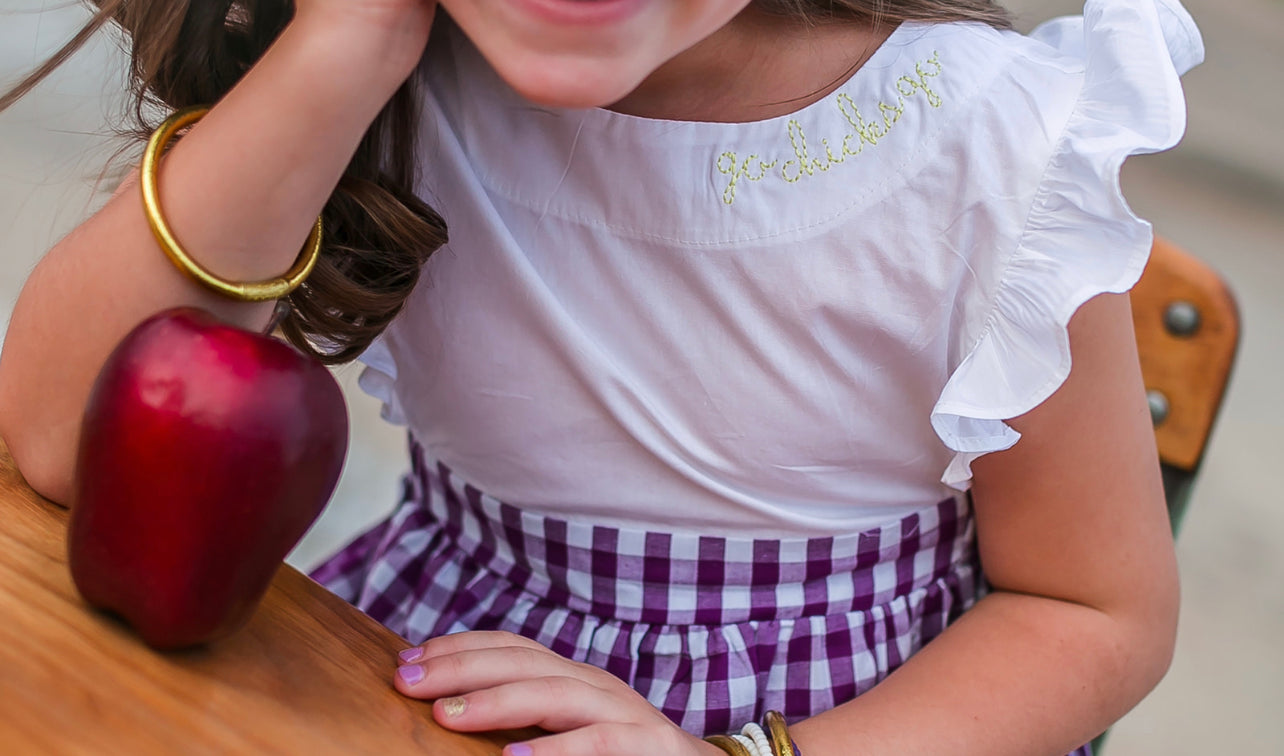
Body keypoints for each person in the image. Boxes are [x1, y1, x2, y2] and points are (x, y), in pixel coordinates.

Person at [0, 0, 1204, 753]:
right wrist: (346, 40)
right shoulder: (400, 67)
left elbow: (1093, 612)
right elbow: (59, 440)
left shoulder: (989, 145)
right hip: (433, 686)